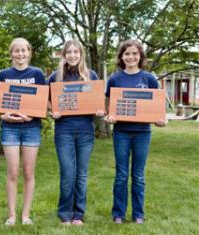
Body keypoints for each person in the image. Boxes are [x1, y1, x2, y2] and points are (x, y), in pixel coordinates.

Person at [105, 39, 165, 224]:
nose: (131, 57)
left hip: (142, 133)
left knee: (138, 175)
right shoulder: (115, 78)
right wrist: (110, 116)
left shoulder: (149, 79)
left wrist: (160, 119)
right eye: (127, 54)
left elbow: (156, 106)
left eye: (134, 54)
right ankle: (118, 214)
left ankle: (138, 214)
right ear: (121, 57)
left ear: (140, 56)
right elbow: (109, 104)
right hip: (121, 132)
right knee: (121, 174)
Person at [47, 39, 104, 225]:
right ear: (64, 55)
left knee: (81, 175)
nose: (72, 55)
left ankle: (78, 214)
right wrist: (52, 111)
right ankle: (65, 213)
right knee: (67, 173)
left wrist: (98, 110)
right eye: (69, 52)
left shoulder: (91, 76)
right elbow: (46, 101)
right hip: (64, 131)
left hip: (85, 131)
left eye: (76, 52)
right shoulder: (56, 77)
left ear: (81, 55)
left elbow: (98, 102)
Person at [0, 38, 46, 226]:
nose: (20, 54)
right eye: (16, 51)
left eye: (24, 50)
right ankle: (11, 215)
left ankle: (25, 216)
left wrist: (32, 116)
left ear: (29, 53)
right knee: (12, 172)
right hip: (10, 129)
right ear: (11, 54)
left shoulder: (37, 74)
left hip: (32, 128)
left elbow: (43, 102)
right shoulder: (4, 75)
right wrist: (5, 116)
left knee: (28, 172)